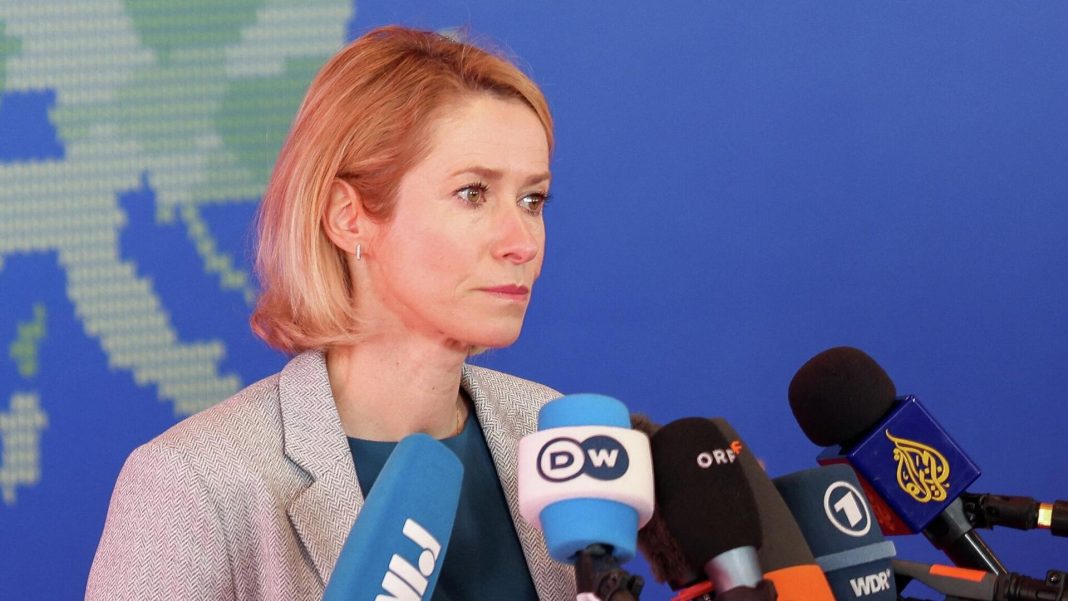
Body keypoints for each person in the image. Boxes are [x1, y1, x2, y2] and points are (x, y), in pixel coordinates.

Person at [86, 25, 575, 600]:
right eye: (473, 193)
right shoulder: (195, 485)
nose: (522, 242)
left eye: (532, 200)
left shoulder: (548, 437)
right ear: (348, 217)